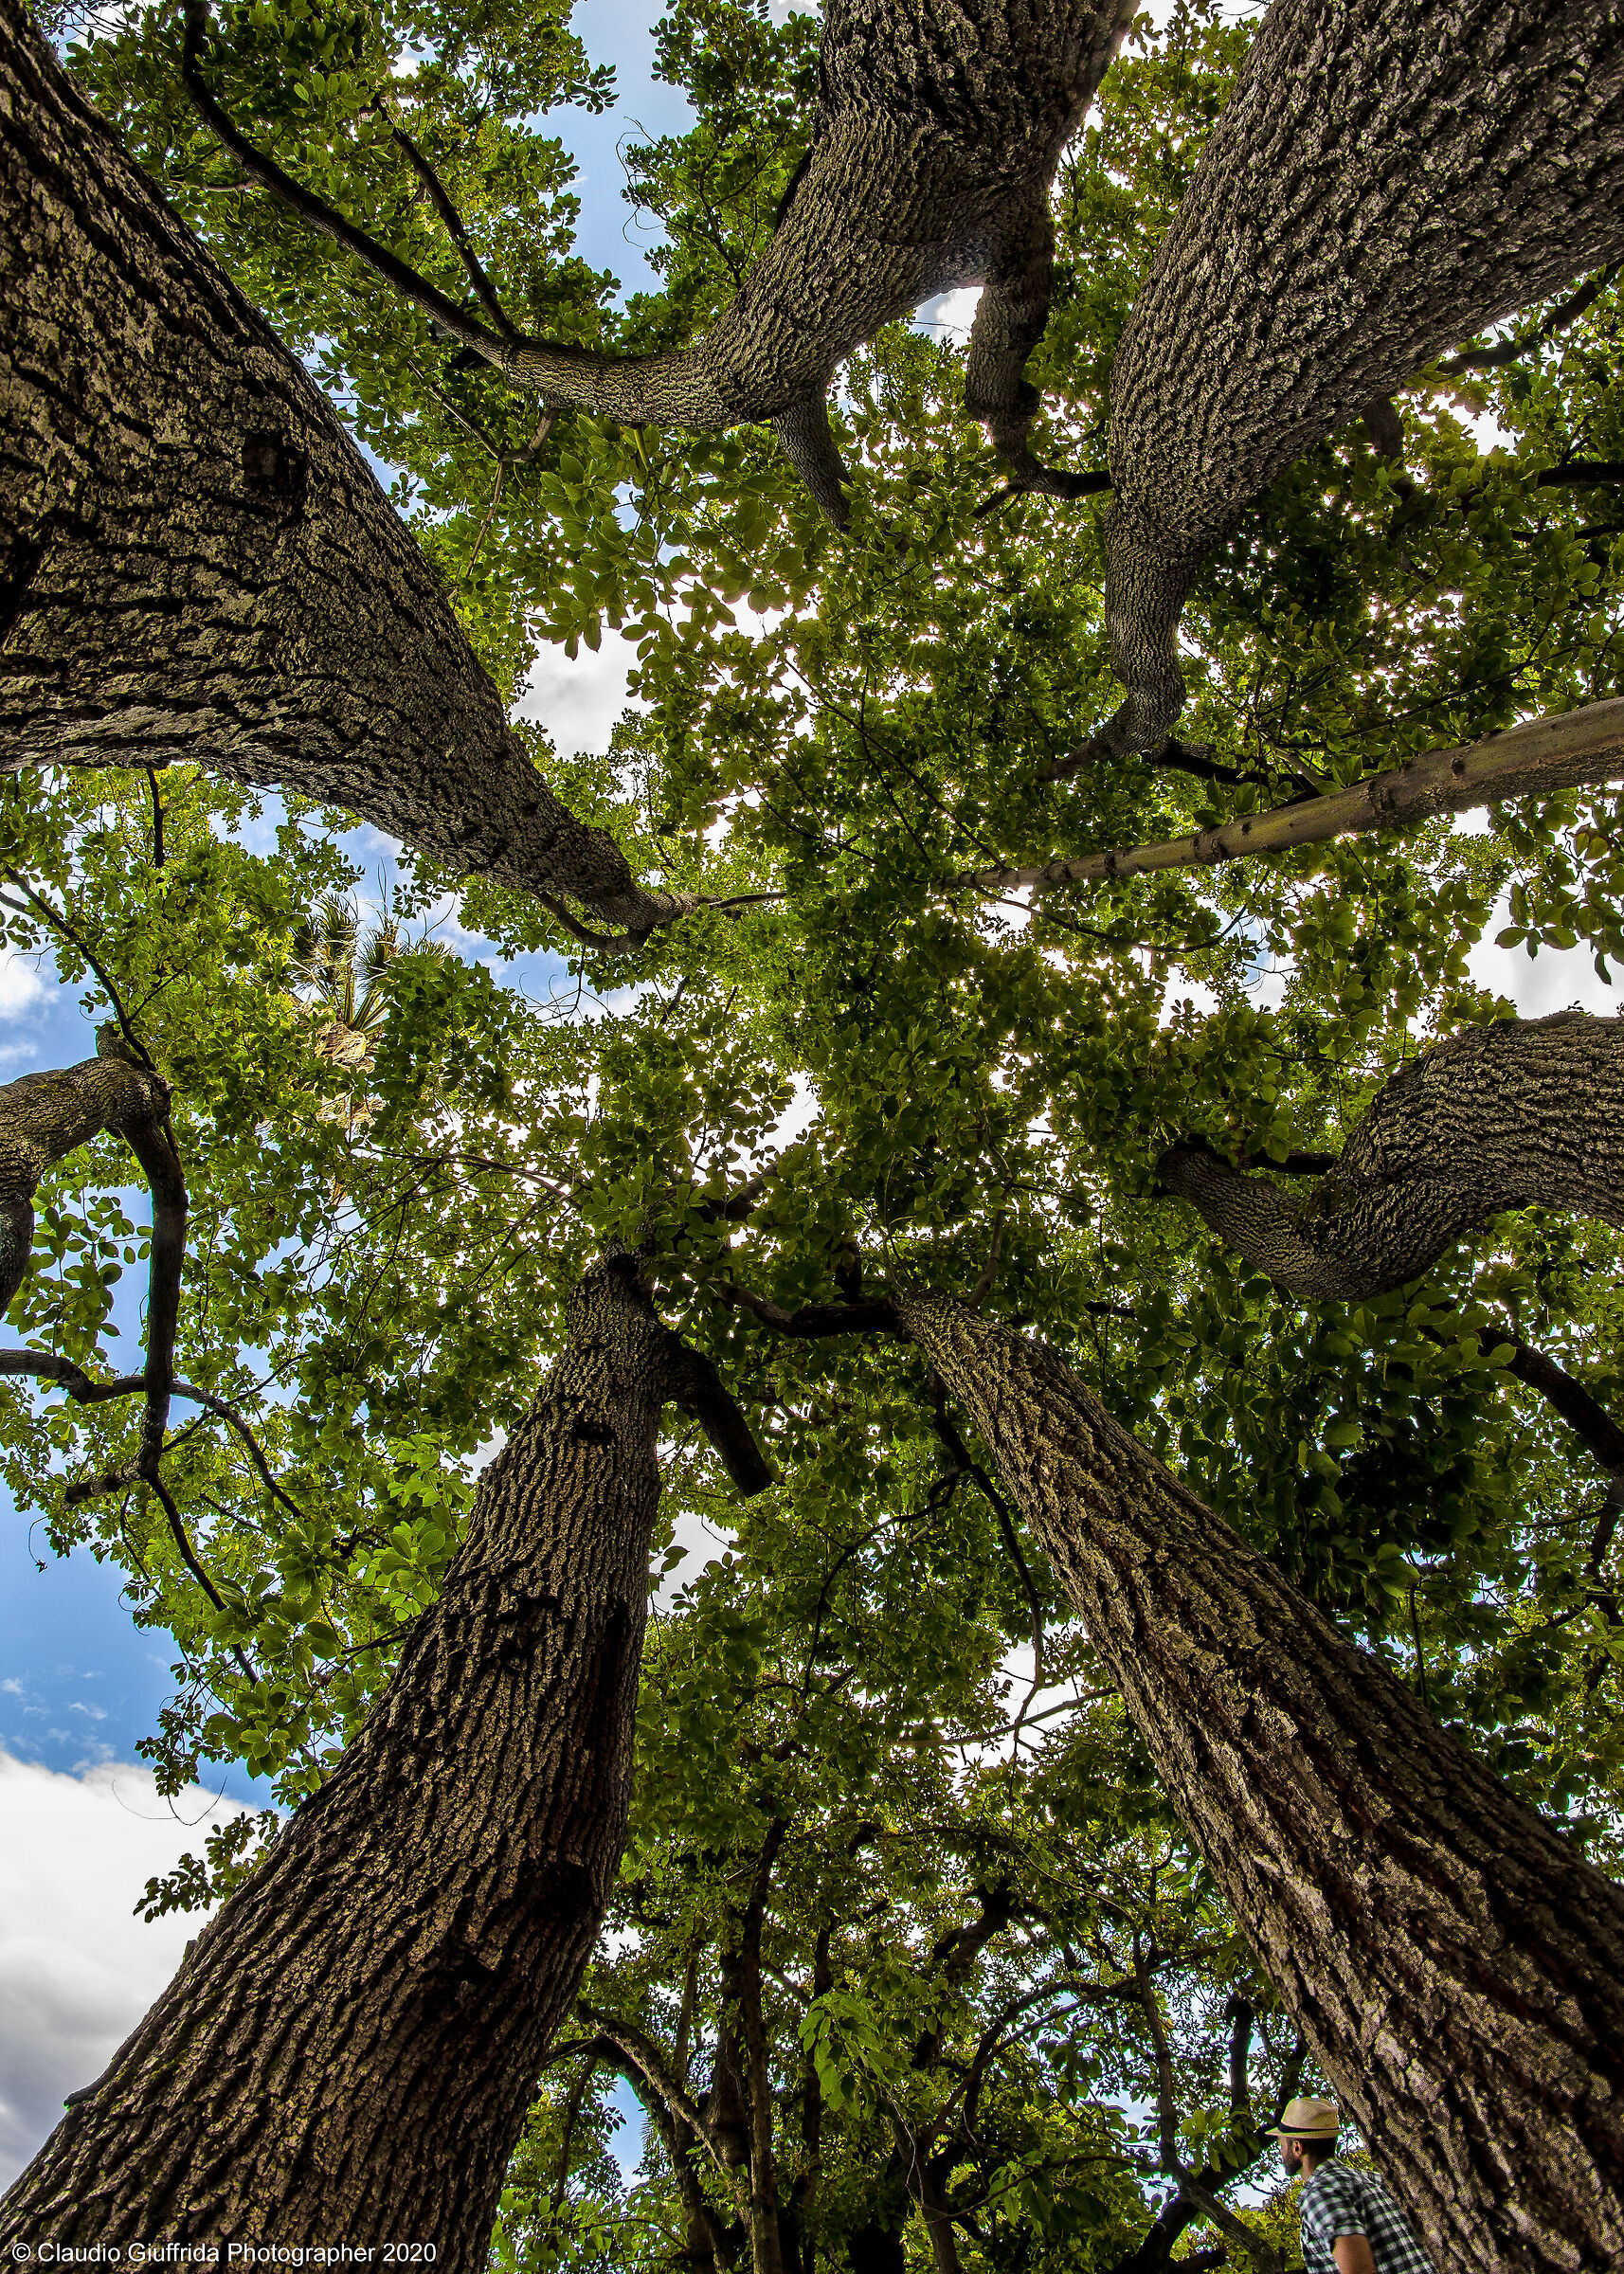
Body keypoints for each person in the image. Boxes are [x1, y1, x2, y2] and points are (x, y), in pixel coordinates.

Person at [1272, 2097, 1437, 2274]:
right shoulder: (1373, 2180)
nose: (1281, 2152)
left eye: (1282, 2144)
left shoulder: (1320, 2194)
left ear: (1297, 2148)